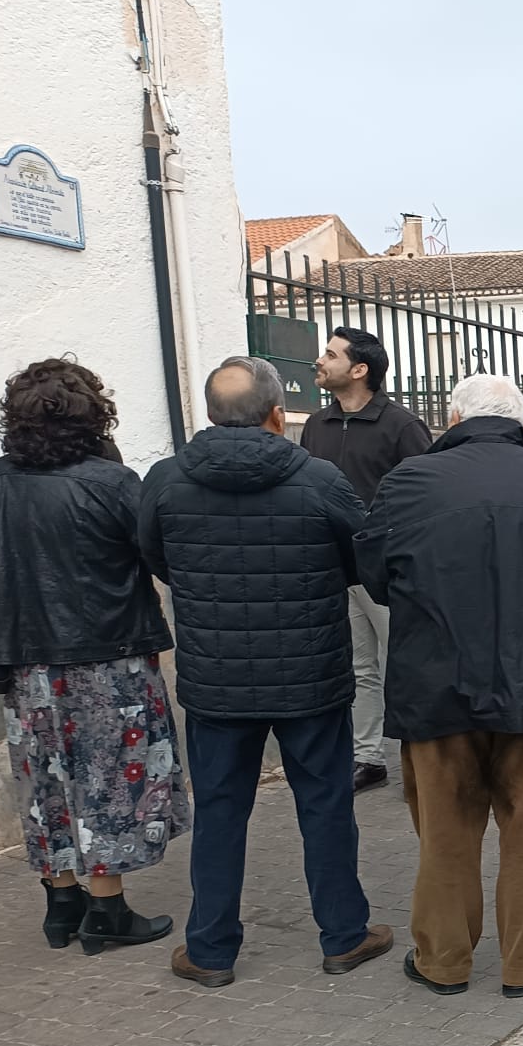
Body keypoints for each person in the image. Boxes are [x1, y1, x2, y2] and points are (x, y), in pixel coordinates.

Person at [137, 357, 391, 988]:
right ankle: (344, 935)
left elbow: (155, 554)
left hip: (216, 679)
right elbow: (362, 556)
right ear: (278, 415)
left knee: (220, 811)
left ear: (209, 414)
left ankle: (210, 948)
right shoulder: (319, 477)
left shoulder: (166, 479)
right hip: (310, 676)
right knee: (326, 805)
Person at [357, 373, 523, 998]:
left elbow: (375, 577)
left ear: (452, 415)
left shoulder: (406, 483)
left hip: (437, 684)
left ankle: (442, 960)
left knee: (445, 832)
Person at [0, 358, 185, 952]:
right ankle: (106, 911)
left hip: (25, 663)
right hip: (108, 660)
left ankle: (61, 902)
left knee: (45, 778)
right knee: (110, 781)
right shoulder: (115, 484)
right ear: (96, 417)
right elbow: (159, 560)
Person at [299, 326, 432, 794]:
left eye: (331, 355)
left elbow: (426, 496)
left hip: (390, 570)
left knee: (405, 664)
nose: (321, 360)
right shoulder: (317, 425)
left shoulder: (402, 426)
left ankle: (422, 757)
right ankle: (367, 758)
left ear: (359, 370)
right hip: (334, 568)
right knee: (359, 668)